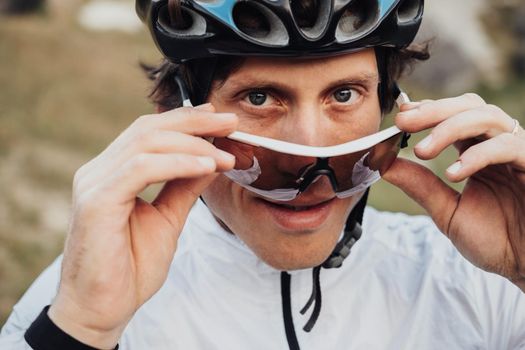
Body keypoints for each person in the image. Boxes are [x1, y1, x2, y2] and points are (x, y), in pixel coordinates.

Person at [1, 0, 525, 349]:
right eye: (260, 97)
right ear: (177, 116)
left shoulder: (476, 279)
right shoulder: (77, 299)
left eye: (344, 95)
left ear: (394, 108)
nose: (308, 154)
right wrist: (83, 331)